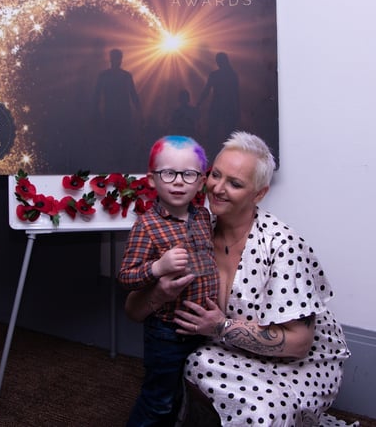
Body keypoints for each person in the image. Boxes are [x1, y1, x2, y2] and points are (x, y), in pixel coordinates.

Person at [125, 131, 350, 426]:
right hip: (228, 349)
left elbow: (299, 344)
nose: (217, 188)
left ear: (259, 194)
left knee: (266, 411)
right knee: (193, 362)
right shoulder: (196, 228)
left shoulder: (282, 245)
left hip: (300, 363)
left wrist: (220, 326)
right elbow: (133, 310)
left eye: (235, 183)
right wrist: (159, 294)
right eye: (215, 175)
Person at [118, 135, 220, 427]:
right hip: (167, 333)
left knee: (185, 396)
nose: (178, 182)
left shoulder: (203, 217)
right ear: (152, 179)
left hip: (201, 328)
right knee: (158, 401)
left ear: (201, 182)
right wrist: (157, 267)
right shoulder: (146, 226)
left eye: (188, 174)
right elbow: (126, 276)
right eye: (168, 173)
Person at [197, 52, 239, 154]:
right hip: (227, 107)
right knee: (227, 135)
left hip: (218, 107)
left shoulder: (216, 75)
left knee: (214, 134)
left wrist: (198, 104)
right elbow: (236, 94)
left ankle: (214, 153)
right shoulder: (232, 75)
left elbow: (206, 91)